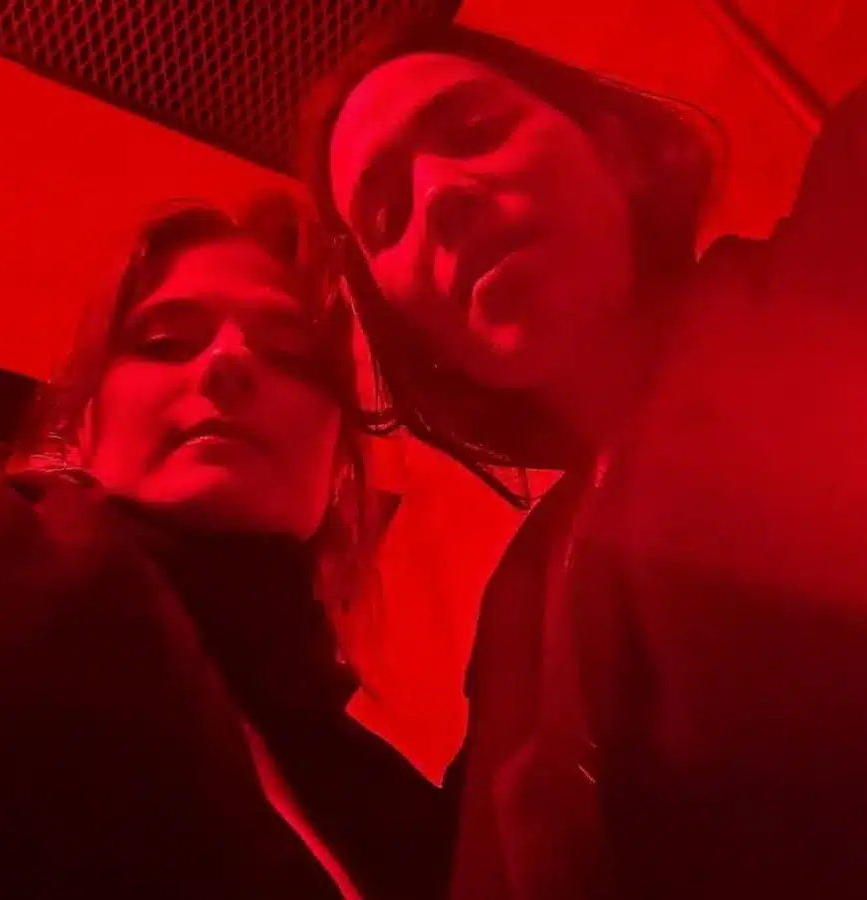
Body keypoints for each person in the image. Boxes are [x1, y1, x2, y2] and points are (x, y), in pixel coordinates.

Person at [298, 22, 867, 900]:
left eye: (476, 131)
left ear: (616, 151)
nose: (441, 196)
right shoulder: (520, 607)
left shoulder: (832, 272)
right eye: (387, 216)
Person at [0, 192, 455, 899]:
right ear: (81, 428)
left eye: (290, 356)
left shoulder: (397, 813)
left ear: (337, 463)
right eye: (165, 342)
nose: (227, 362)